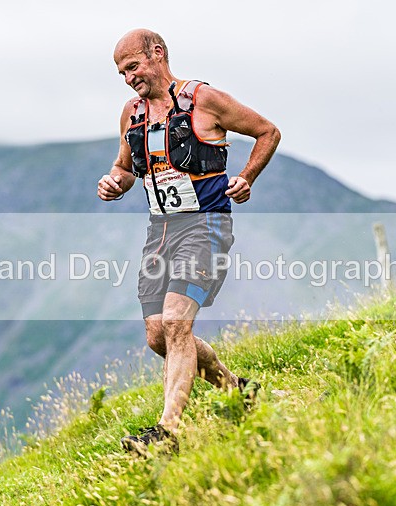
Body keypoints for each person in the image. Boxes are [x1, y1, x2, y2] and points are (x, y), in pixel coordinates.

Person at [98, 28, 280, 455]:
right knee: (159, 336)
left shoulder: (204, 100)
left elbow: (267, 131)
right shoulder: (132, 113)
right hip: (160, 232)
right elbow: (125, 168)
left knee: (179, 323)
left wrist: (246, 177)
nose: (128, 79)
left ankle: (168, 434)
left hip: (206, 225)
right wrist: (114, 183)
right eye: (121, 73)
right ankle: (237, 391)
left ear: (157, 54)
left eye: (133, 67)